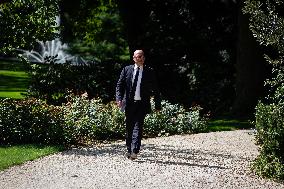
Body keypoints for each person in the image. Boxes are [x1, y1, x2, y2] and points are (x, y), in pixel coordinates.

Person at [116, 49, 161, 160]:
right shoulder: (126, 70)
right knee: (129, 128)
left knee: (138, 127)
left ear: (144, 58)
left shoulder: (149, 71)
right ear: (133, 58)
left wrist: (157, 105)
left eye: (141, 56)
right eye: (137, 56)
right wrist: (119, 99)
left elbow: (156, 89)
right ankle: (129, 149)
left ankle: (135, 150)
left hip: (142, 104)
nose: (139, 58)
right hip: (129, 104)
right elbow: (119, 86)